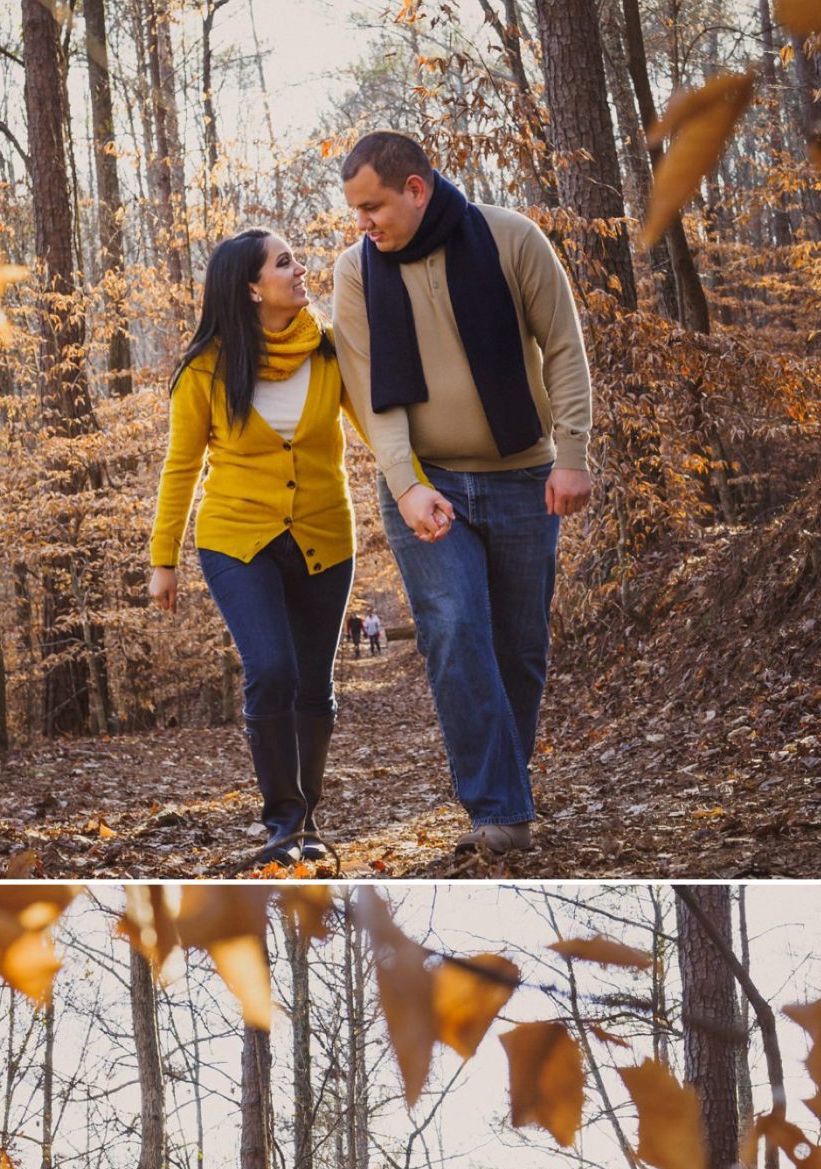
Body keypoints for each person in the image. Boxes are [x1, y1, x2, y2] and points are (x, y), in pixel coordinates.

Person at [332, 131, 594, 860]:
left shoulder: (512, 239)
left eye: (373, 206)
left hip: (520, 475)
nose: (363, 223)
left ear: (416, 188)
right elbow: (369, 394)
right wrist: (407, 485)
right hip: (428, 485)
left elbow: (565, 348)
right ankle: (500, 811)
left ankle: (503, 781)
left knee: (521, 649)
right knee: (453, 634)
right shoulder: (355, 272)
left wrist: (571, 456)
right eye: (355, 210)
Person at [149, 228, 355, 865]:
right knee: (273, 670)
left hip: (325, 533)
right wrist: (164, 561)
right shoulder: (206, 369)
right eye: (285, 262)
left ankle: (308, 822)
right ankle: (283, 823)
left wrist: (419, 488)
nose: (300, 270)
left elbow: (379, 427)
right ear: (251, 286)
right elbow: (181, 467)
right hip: (236, 537)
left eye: (295, 259)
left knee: (314, 684)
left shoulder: (329, 352)